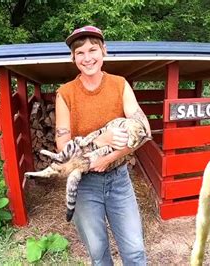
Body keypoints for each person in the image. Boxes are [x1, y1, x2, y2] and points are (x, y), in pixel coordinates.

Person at [55, 25, 150, 265]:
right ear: (73, 57)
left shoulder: (120, 84)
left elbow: (144, 130)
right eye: (80, 53)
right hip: (85, 184)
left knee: (135, 252)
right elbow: (62, 147)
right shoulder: (65, 94)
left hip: (119, 179)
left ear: (104, 50)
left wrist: (109, 157)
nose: (87, 58)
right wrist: (101, 140)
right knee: (98, 255)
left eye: (92, 50)